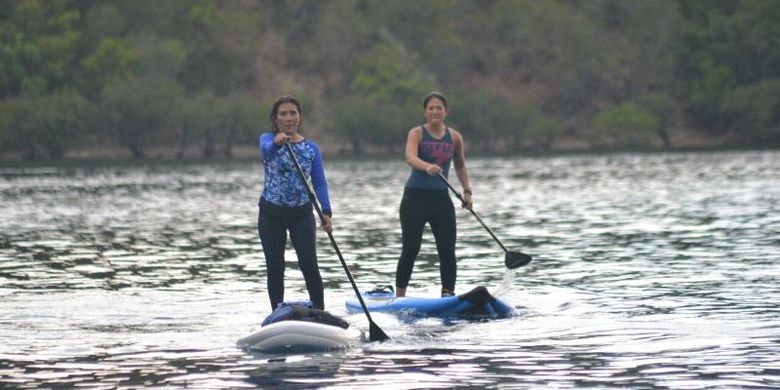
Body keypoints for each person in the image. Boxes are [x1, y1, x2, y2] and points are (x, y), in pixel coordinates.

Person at [257, 95, 333, 311]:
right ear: (276, 118)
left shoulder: (311, 149)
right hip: (271, 214)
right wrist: (277, 142)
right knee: (275, 266)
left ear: (299, 117)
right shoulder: (266, 139)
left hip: (302, 214)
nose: (288, 118)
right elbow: (267, 151)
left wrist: (326, 211)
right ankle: (276, 312)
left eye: (293, 113)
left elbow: (319, 182)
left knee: (308, 264)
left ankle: (319, 311)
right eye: (283, 114)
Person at [395, 92, 473, 298]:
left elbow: (460, 165)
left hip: (441, 200)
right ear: (425, 112)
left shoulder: (455, 137)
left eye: (439, 108)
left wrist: (467, 192)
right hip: (415, 199)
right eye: (431, 108)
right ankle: (400, 296)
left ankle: (448, 294)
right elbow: (410, 158)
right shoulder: (417, 133)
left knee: (447, 249)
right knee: (411, 248)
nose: (435, 111)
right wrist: (427, 166)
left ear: (446, 112)